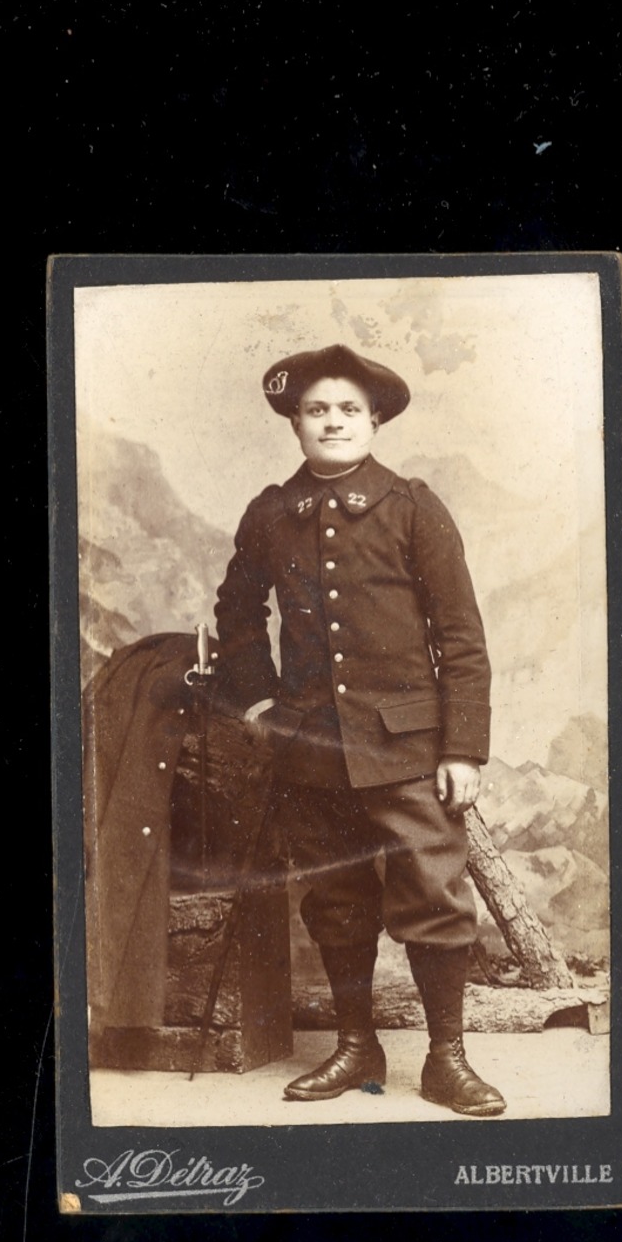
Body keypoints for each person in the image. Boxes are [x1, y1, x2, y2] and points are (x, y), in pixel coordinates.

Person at [214, 343, 506, 1117]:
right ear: (295, 423)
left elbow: (462, 637)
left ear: (375, 419)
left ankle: (447, 1060)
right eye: (317, 410)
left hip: (409, 750)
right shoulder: (272, 514)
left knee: (434, 896)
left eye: (349, 409)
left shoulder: (414, 507)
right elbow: (236, 618)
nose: (333, 422)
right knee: (336, 901)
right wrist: (258, 705)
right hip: (312, 751)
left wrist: (463, 749)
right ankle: (355, 1048)